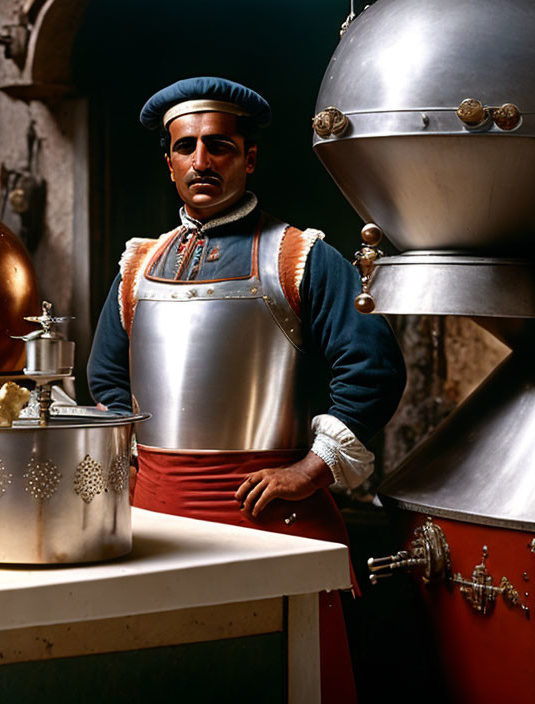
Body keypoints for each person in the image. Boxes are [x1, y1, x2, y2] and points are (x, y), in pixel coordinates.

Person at [87, 77, 406, 702]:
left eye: (219, 146)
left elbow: (372, 369)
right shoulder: (137, 265)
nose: (201, 162)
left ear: (248, 157)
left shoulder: (300, 256)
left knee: (286, 677)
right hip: (152, 518)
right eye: (186, 148)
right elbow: (106, 380)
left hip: (269, 513)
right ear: (170, 160)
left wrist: (310, 471)